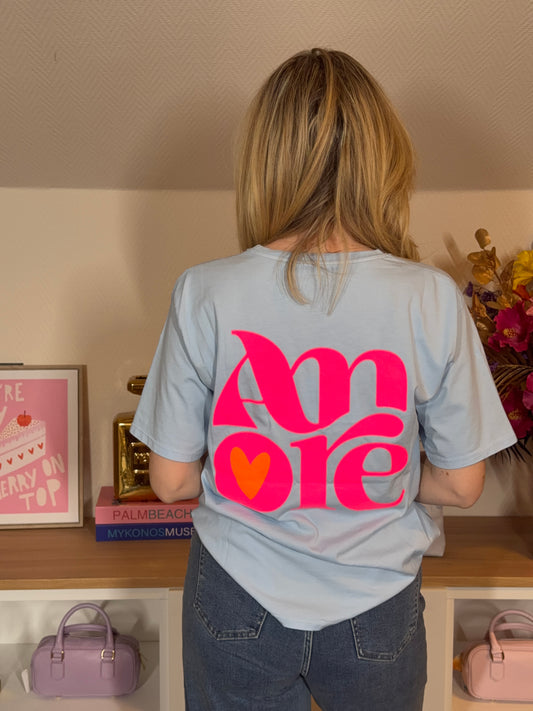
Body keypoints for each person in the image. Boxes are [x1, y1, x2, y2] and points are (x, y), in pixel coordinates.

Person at [130, 48, 517, 711]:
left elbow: (169, 480)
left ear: (263, 162)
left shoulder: (204, 291)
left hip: (236, 593)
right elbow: (462, 483)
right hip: (376, 600)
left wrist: (268, 474)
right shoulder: (427, 296)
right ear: (383, 160)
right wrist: (370, 477)